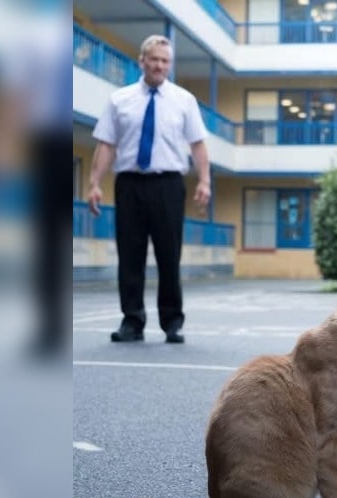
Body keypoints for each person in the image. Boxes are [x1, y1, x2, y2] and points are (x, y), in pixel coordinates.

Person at [86, 34, 211, 344]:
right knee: (130, 255)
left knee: (170, 256)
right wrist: (94, 184)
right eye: (153, 59)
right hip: (129, 184)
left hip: (168, 184)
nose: (159, 65)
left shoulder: (184, 100)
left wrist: (205, 180)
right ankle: (132, 320)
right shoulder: (120, 99)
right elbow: (106, 144)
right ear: (142, 61)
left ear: (170, 65)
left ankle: (172, 321)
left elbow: (197, 144)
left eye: (165, 61)